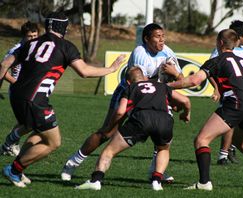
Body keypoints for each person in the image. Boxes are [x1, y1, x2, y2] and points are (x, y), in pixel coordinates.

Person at [0, 11, 126, 188]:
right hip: (35, 100)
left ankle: (18, 169)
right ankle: (13, 170)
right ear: (64, 27)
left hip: (17, 96)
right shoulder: (66, 46)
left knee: (38, 133)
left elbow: (5, 63)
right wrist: (112, 69)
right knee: (53, 142)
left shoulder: (31, 43)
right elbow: (84, 71)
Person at [61, 23, 184, 183]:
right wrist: (165, 86)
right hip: (129, 93)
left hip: (153, 94)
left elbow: (182, 80)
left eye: (163, 36)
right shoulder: (141, 53)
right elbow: (141, 84)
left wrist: (175, 74)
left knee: (160, 130)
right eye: (157, 36)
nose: (162, 40)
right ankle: (72, 163)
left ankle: (156, 171)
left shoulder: (167, 52)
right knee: (107, 132)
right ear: (146, 39)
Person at [168, 29, 243, 190]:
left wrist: (165, 86)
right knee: (240, 142)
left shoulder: (217, 60)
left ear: (220, 42)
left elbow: (194, 81)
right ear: (235, 43)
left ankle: (204, 183)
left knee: (202, 140)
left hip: (237, 102)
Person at [75, 66, 191, 191]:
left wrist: (110, 126)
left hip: (141, 119)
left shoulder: (130, 88)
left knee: (109, 151)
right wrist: (186, 114)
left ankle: (96, 180)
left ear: (128, 81)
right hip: (164, 120)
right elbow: (185, 100)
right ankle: (157, 182)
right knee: (163, 149)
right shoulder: (161, 86)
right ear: (144, 77)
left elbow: (120, 112)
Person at [210, 20, 243, 165]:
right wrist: (217, 89)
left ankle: (232, 147)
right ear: (240, 36)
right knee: (230, 123)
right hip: (230, 91)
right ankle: (223, 154)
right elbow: (210, 72)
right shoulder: (219, 51)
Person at [0, 21, 40, 157]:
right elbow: (2, 68)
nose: (33, 38)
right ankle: (9, 144)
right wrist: (16, 82)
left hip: (31, 90)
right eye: (30, 36)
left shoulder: (37, 48)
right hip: (18, 91)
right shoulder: (17, 50)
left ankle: (10, 145)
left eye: (35, 35)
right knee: (30, 122)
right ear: (24, 36)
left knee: (25, 122)